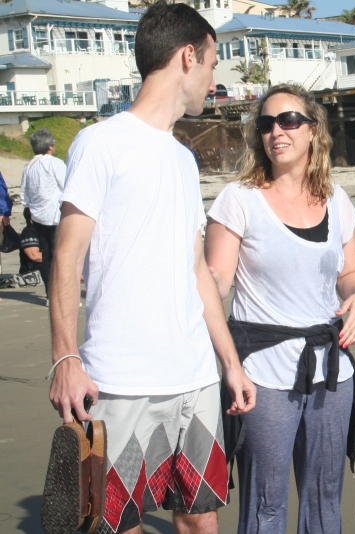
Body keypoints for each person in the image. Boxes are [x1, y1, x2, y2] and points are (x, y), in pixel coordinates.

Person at [47, 3, 255, 534]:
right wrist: (65, 357)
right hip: (122, 380)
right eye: (212, 63)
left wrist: (229, 363)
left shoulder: (183, 158)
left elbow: (196, 270)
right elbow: (66, 256)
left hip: (194, 376)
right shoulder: (100, 143)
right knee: (116, 522)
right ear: (188, 56)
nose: (213, 78)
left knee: (201, 517)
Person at [204, 83, 355, 534]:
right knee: (266, 502)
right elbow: (216, 281)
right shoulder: (238, 199)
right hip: (263, 371)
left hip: (331, 369)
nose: (277, 131)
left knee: (325, 496)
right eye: (266, 124)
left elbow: (349, 274)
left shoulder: (337, 200)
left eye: (289, 120)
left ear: (313, 130)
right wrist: (190, 275)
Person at [20, 128, 66, 302]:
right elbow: (67, 186)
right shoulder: (55, 163)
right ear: (50, 147)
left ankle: (50, 294)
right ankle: (60, 295)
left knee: (46, 255)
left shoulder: (28, 166)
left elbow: (24, 196)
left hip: (38, 216)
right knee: (59, 255)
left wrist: (32, 208)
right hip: (55, 215)